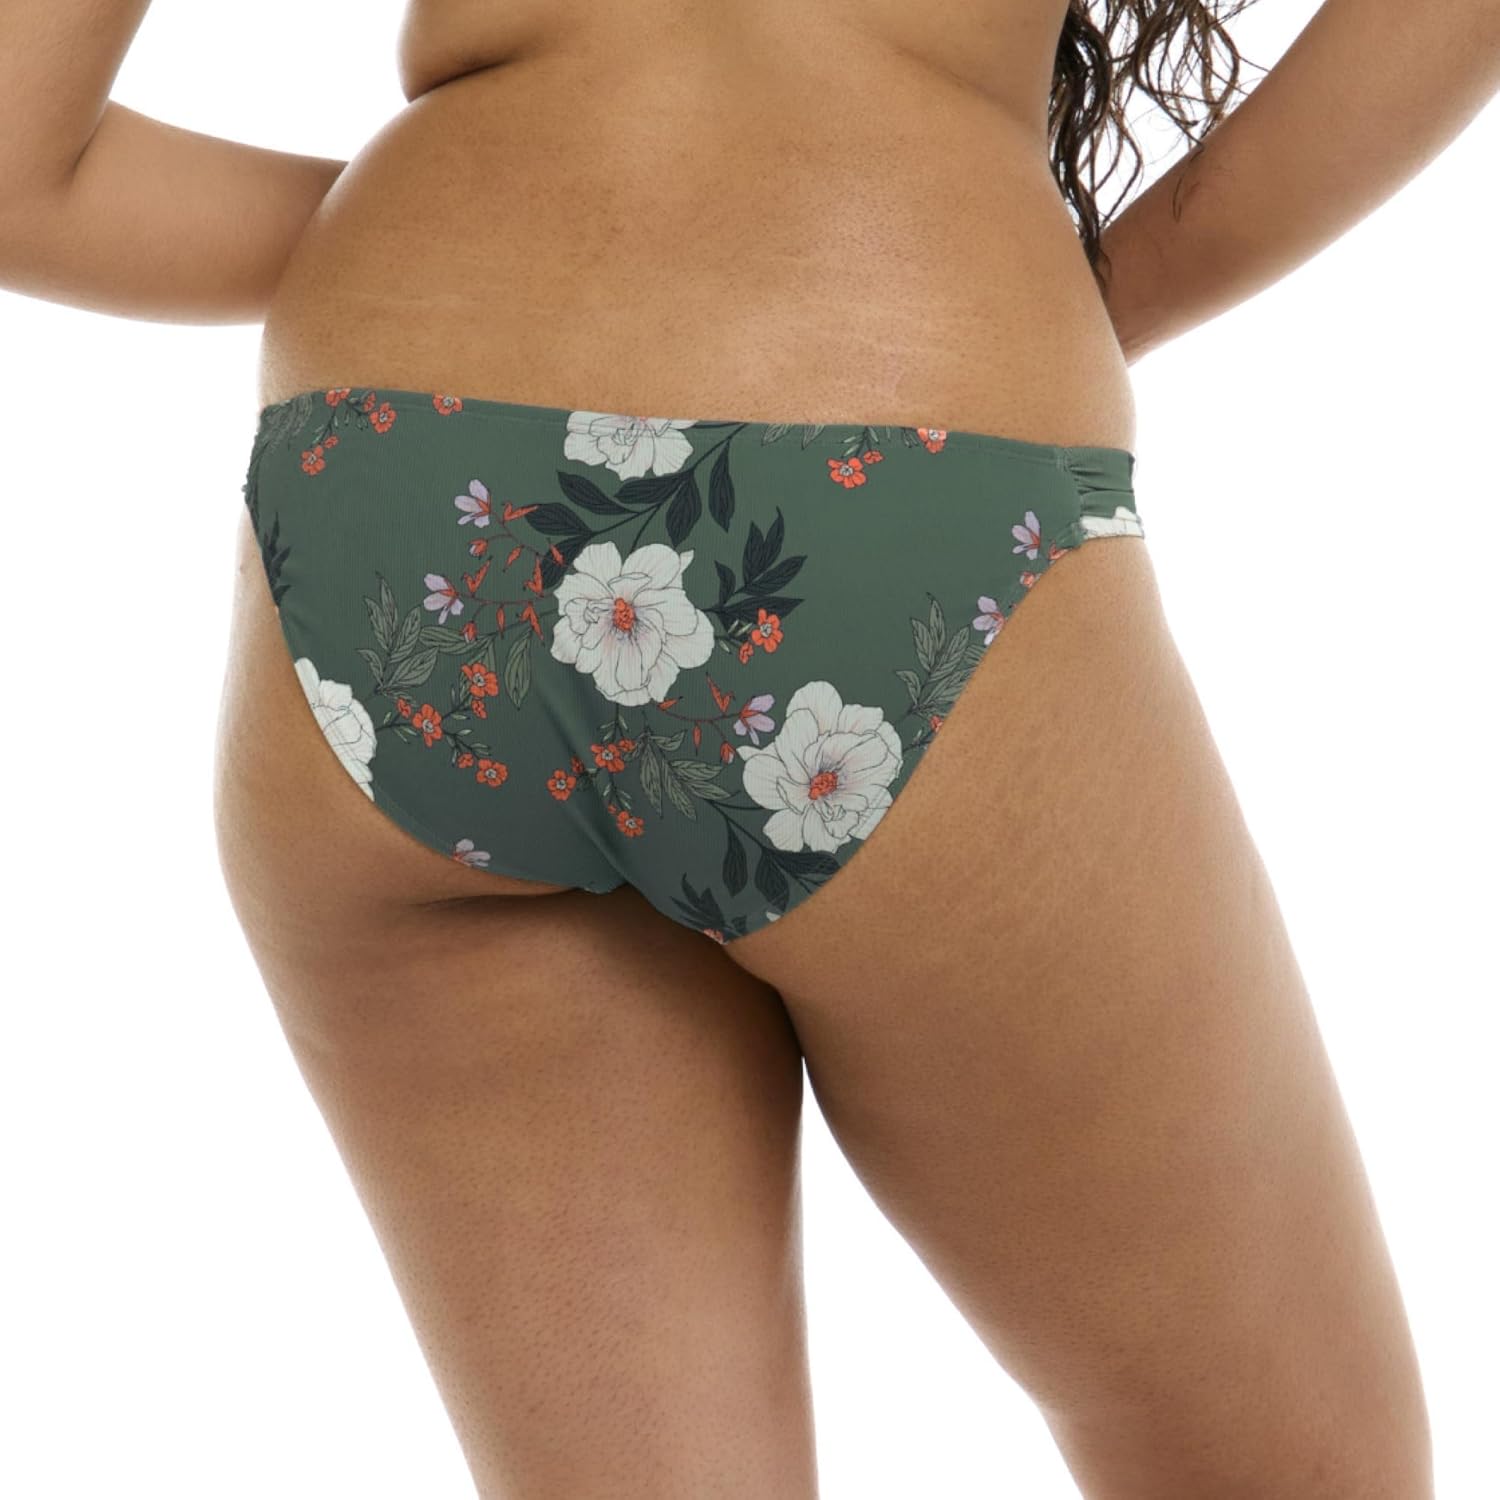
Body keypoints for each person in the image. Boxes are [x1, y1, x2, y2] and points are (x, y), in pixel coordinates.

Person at [4, 2, 1491, 1495]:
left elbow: (18, 172)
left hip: (398, 497)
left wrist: (458, 207)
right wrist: (1077, 285)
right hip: (887, 449)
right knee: (1300, 1469)